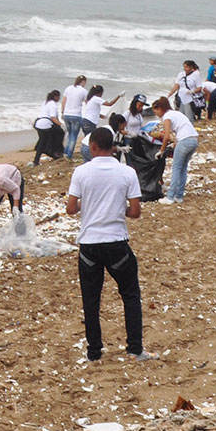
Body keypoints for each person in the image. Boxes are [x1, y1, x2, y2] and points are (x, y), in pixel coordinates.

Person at [65, 128, 156, 362]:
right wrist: (117, 207)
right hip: (116, 242)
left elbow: (71, 208)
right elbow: (135, 212)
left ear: (93, 146)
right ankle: (135, 349)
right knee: (130, 295)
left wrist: (91, 205)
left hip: (90, 244)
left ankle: (94, 352)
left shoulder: (81, 172)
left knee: (91, 299)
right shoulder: (127, 172)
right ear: (113, 146)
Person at [151, 98, 198, 205]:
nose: (156, 114)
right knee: (183, 168)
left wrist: (161, 151)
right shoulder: (175, 114)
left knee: (176, 169)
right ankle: (179, 196)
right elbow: (179, 131)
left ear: (160, 109)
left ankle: (170, 197)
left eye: (156, 111)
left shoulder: (167, 116)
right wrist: (174, 143)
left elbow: (166, 136)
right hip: (193, 140)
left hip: (185, 141)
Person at [32, 90, 65, 165]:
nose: (59, 99)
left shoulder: (45, 102)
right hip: (45, 124)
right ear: (55, 97)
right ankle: (54, 152)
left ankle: (37, 160)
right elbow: (53, 117)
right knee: (60, 133)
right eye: (59, 97)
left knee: (43, 141)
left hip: (38, 123)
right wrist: (61, 125)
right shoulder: (53, 104)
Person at [60, 75, 88, 159]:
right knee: (74, 135)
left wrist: (62, 112)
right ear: (83, 82)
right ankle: (69, 154)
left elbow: (63, 101)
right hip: (76, 115)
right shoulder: (84, 91)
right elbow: (87, 102)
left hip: (67, 114)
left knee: (69, 134)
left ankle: (65, 151)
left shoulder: (68, 88)